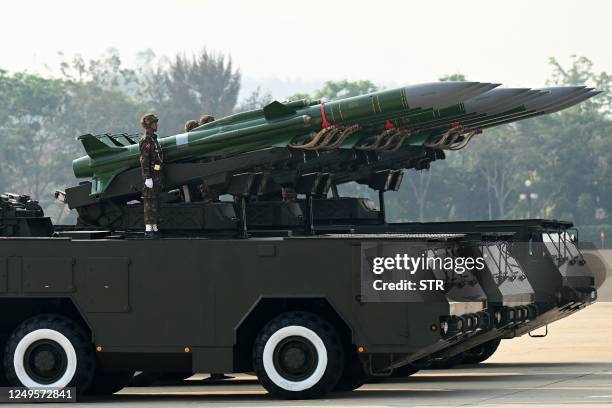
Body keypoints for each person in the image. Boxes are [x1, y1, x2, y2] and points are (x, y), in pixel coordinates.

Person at [139, 113, 164, 239]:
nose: (156, 124)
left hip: (156, 176)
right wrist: (148, 177)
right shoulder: (146, 141)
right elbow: (144, 161)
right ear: (149, 125)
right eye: (154, 122)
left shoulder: (154, 139)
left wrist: (157, 172)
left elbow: (158, 160)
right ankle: (149, 229)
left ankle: (154, 227)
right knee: (149, 203)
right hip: (150, 178)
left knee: (155, 203)